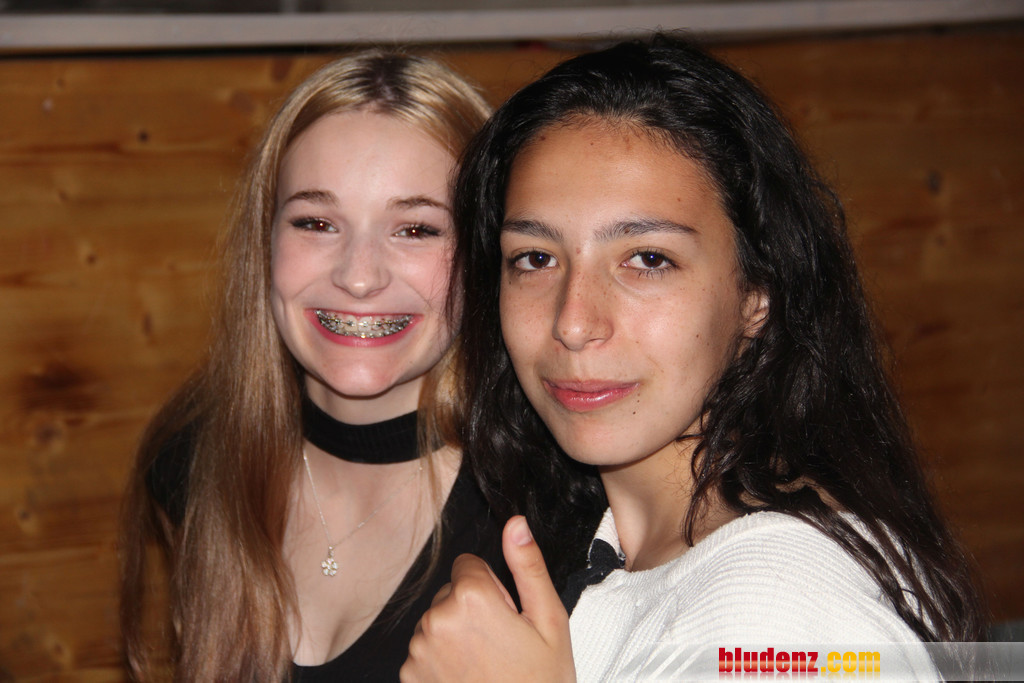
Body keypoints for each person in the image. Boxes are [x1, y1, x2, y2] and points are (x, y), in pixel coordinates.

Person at [401, 34, 985, 681]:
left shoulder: (776, 610)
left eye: (648, 259)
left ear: (757, 295)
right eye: (535, 258)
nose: (573, 322)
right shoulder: (614, 544)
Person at [118, 50, 511, 682]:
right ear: (265, 241)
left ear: (484, 253)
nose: (358, 276)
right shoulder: (194, 459)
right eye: (317, 222)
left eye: (416, 229)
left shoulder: (542, 507)